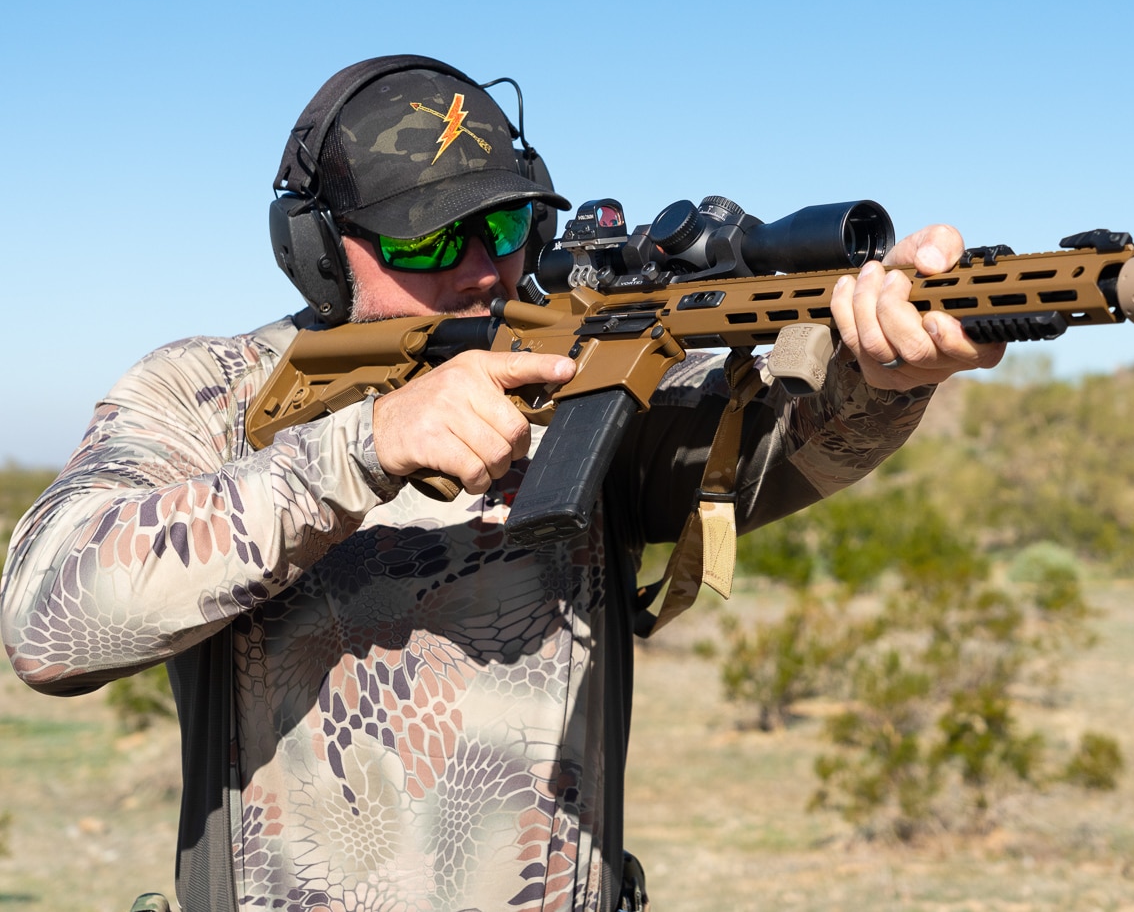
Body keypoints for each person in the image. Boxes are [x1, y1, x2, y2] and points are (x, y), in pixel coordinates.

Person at [0, 55, 1003, 912]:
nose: (480, 268)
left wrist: (881, 374)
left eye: (507, 225)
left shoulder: (574, 375)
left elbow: (765, 453)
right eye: (424, 240)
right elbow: (47, 620)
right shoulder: (213, 393)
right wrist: (361, 447)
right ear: (314, 248)